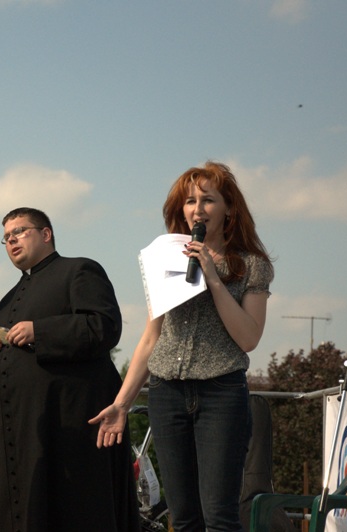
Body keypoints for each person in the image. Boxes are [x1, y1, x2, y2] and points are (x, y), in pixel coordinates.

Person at [90, 161, 274, 531]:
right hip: (167, 394)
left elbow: (249, 338)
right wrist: (122, 404)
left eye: (208, 200)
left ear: (229, 209)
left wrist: (213, 278)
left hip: (221, 393)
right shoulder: (166, 258)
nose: (197, 209)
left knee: (219, 515)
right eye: (190, 201)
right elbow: (151, 337)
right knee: (183, 515)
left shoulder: (251, 265)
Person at [0, 207, 139, 532]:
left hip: (67, 427)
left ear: (46, 234)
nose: (11, 241)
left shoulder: (79, 270)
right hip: (20, 430)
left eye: (19, 232)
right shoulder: (7, 300)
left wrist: (40, 331)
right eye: (6, 237)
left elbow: (104, 327)